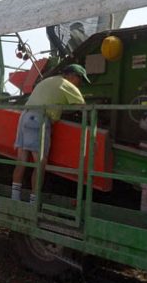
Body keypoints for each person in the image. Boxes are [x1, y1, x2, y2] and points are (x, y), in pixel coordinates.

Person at [11, 63, 89, 203]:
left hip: (24, 116)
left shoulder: (49, 80)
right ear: (72, 76)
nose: (80, 83)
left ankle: (14, 197)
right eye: (80, 79)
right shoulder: (67, 85)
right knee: (40, 163)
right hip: (39, 119)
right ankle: (33, 201)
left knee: (21, 160)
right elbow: (83, 108)